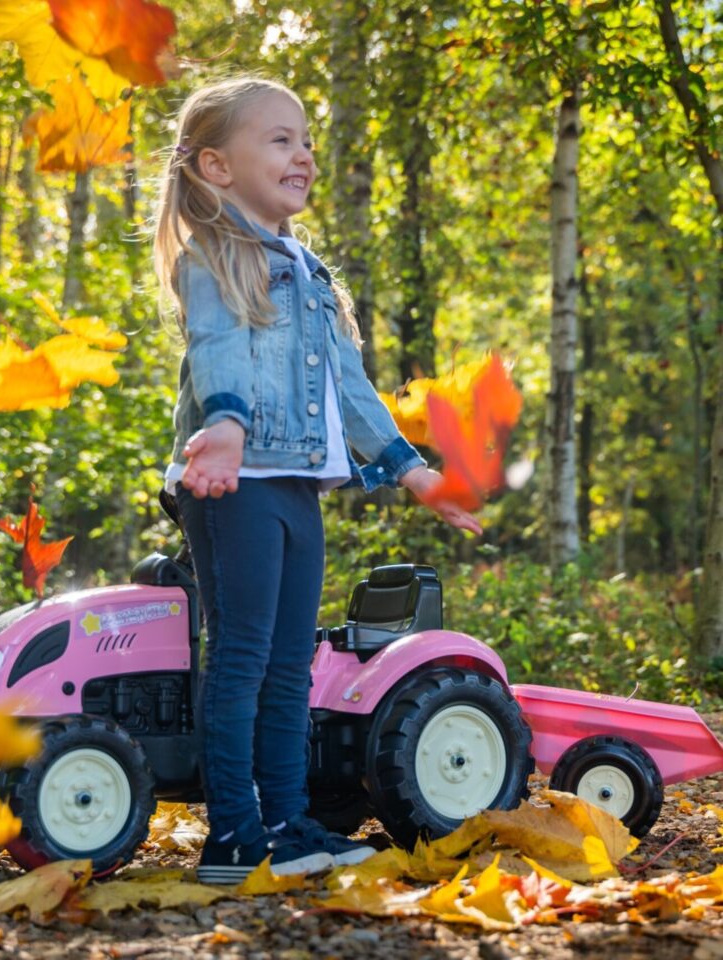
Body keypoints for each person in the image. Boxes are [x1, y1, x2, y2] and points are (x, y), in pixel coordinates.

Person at [153, 76, 482, 885]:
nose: (302, 154)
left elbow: (351, 386)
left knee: (291, 664)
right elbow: (216, 350)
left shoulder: (309, 269)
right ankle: (234, 836)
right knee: (242, 657)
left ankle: (290, 827)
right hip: (234, 483)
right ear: (216, 166)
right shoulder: (217, 256)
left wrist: (411, 471)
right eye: (279, 139)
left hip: (297, 484)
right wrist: (223, 427)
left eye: (305, 140)